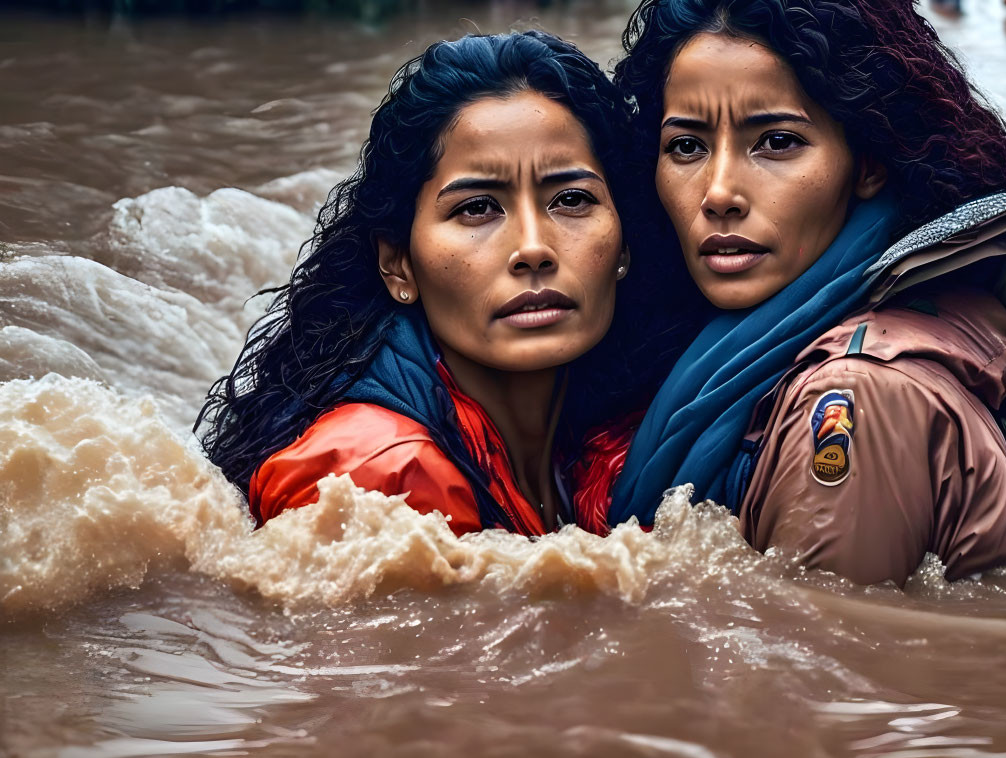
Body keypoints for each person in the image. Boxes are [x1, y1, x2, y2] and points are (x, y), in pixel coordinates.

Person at [608, 0, 1006, 586]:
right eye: (686, 147)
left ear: (865, 163)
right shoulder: (764, 341)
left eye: (775, 141)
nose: (718, 192)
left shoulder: (855, 401)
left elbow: (822, 677)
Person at [198, 31, 663, 536]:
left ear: (623, 245)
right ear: (398, 265)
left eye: (571, 200)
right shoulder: (379, 483)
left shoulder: (595, 442)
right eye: (477, 208)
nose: (533, 248)